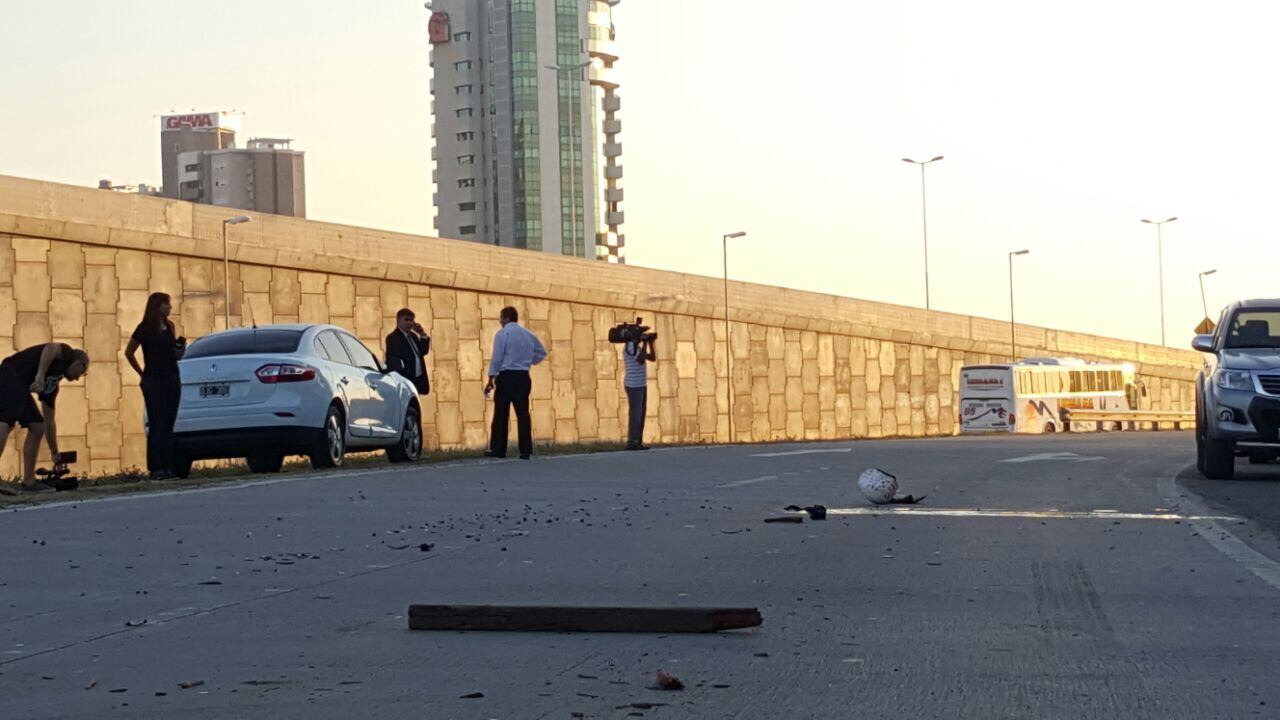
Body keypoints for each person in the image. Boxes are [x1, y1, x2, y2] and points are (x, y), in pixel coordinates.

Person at [0, 343, 90, 493]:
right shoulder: (67, 354)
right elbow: (51, 348)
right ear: (79, 362)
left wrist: (55, 454)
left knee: (37, 426)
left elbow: (50, 421)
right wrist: (40, 376)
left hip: (22, 386)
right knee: (7, 421)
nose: (78, 378)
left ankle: (29, 482)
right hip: (10, 374)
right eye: (83, 371)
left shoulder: (52, 386)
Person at [125, 292, 185, 480]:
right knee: (157, 423)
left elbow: (176, 356)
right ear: (157, 306)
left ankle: (168, 467)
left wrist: (180, 348)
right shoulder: (145, 328)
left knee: (168, 423)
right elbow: (129, 352)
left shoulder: (170, 326)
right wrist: (141, 373)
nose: (170, 307)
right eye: (166, 304)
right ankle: (156, 468)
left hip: (172, 377)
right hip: (154, 379)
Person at [484, 306, 546, 459]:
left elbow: (497, 357)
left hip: (506, 376)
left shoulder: (502, 334)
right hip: (523, 376)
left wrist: (491, 378)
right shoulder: (528, 335)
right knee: (523, 413)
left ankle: (499, 448)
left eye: (501, 318)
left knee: (501, 414)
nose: (500, 321)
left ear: (506, 318)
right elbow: (541, 352)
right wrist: (528, 361)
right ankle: (525, 450)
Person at [385, 308, 431, 395]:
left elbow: (423, 351)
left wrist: (422, 334)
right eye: (406, 320)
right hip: (405, 380)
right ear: (398, 320)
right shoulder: (393, 338)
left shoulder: (413, 336)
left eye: (411, 320)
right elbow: (395, 362)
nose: (410, 323)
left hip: (418, 380)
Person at [622, 334, 656, 450]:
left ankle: (638, 441)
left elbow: (652, 357)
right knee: (635, 416)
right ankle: (632, 442)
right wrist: (645, 342)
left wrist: (651, 344)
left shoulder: (638, 347)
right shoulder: (630, 346)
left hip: (641, 384)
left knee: (641, 415)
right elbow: (641, 360)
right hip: (633, 385)